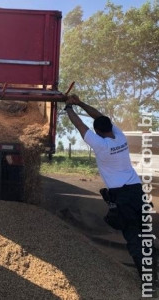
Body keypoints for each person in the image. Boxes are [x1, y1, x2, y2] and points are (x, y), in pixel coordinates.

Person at [64, 94, 157, 285]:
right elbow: (98, 117)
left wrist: (68, 108)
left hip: (122, 196)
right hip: (137, 191)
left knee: (132, 236)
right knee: (145, 232)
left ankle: (150, 281)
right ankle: (154, 268)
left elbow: (80, 126)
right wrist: (79, 102)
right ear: (109, 127)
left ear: (97, 131)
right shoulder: (120, 137)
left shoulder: (101, 145)